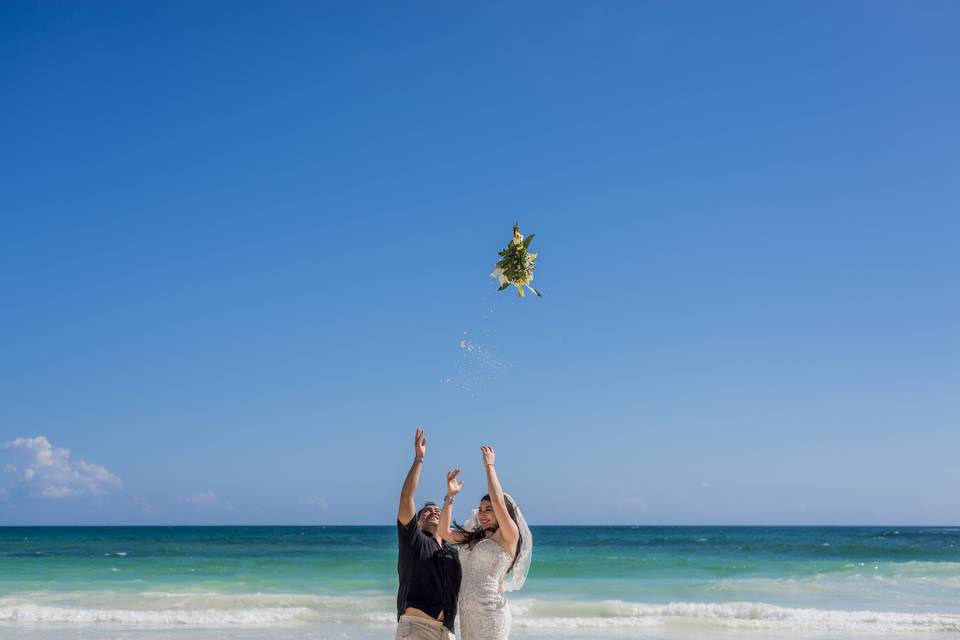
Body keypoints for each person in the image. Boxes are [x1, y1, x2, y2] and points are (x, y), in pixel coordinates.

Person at [438, 446, 532, 640]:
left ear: (501, 512)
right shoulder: (474, 537)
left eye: (488, 509)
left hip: (492, 613)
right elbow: (443, 532)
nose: (482, 513)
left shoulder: (508, 536)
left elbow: (498, 500)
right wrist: (450, 496)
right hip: (469, 615)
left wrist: (489, 466)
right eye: (480, 509)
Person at [396, 427, 462, 640]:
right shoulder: (413, 540)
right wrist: (419, 459)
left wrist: (449, 497)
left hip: (448, 631)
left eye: (438, 510)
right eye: (427, 511)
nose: (434, 511)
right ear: (418, 519)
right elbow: (406, 497)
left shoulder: (453, 553)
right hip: (417, 628)